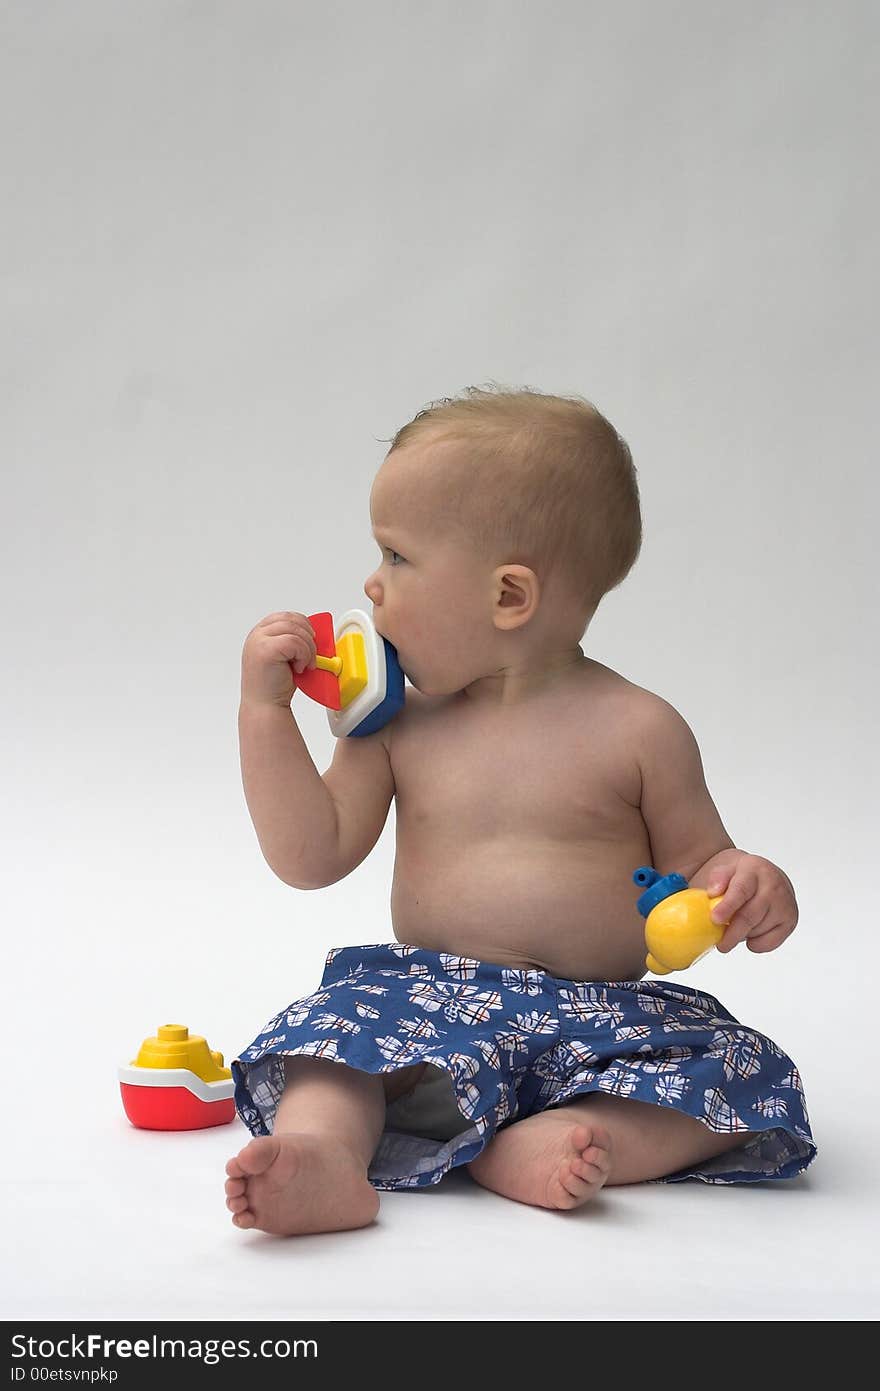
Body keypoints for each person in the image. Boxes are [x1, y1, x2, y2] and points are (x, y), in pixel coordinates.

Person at [224, 385, 815, 1236]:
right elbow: (309, 854)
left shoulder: (640, 728)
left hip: (601, 1020)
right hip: (426, 1010)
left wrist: (748, 885)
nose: (371, 584)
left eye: (397, 557)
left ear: (508, 596)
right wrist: (263, 715)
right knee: (332, 1039)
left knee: (745, 1070)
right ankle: (325, 1156)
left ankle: (564, 1138)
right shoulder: (394, 723)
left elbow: (701, 867)